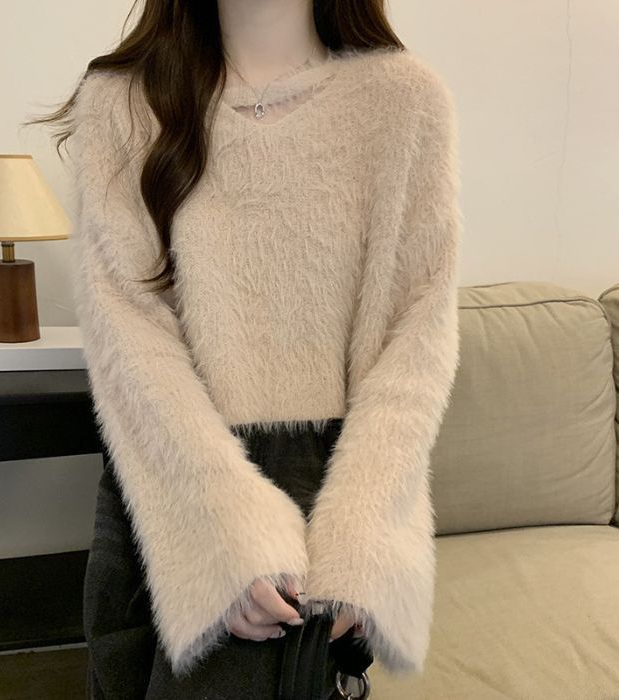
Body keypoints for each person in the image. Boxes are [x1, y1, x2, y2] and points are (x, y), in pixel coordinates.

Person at [31, 0, 463, 697]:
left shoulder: (405, 100)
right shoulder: (123, 103)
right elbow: (128, 330)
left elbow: (417, 335)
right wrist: (220, 530)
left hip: (332, 481)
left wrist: (362, 533)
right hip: (174, 475)